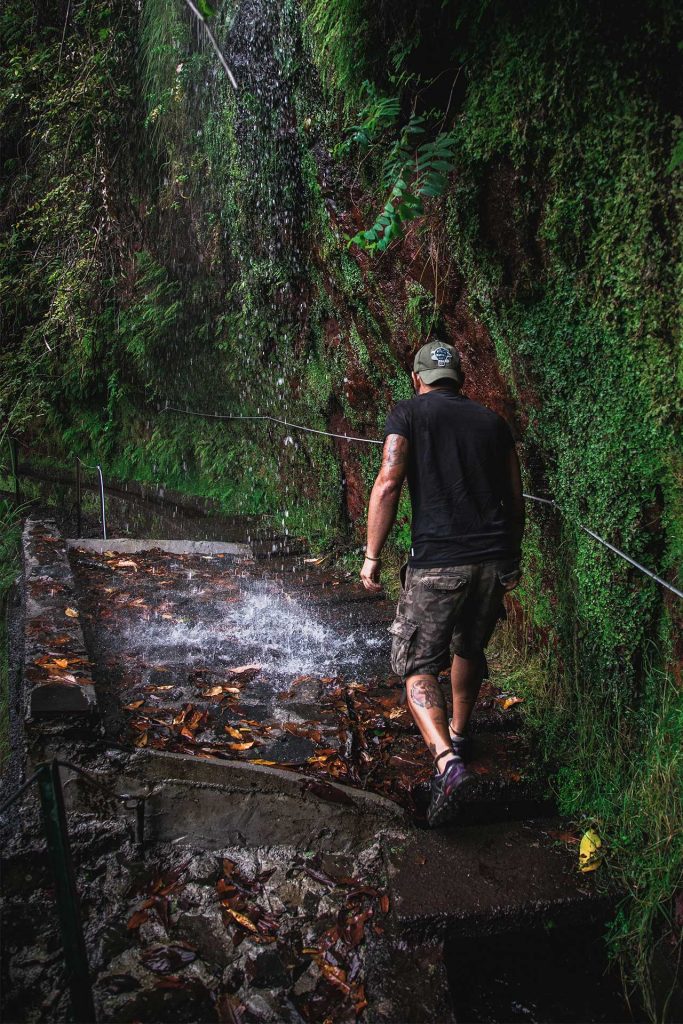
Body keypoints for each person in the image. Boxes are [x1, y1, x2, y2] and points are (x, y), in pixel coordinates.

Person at [360, 340, 524, 826]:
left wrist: (371, 557)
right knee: (469, 648)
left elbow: (389, 481)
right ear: (460, 381)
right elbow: (515, 501)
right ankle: (460, 731)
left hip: (438, 565)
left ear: (417, 379)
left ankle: (447, 762)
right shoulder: (493, 423)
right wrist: (510, 559)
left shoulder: (407, 414)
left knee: (417, 663)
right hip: (493, 562)